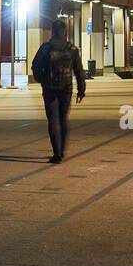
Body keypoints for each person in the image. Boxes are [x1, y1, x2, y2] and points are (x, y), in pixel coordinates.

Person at [31, 19, 86, 164]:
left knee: (53, 120)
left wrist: (42, 80)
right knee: (63, 119)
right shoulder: (72, 49)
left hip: (49, 88)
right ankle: (62, 151)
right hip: (66, 88)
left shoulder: (46, 48)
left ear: (53, 31)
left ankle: (56, 153)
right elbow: (79, 70)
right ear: (64, 32)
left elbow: (35, 66)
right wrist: (81, 89)